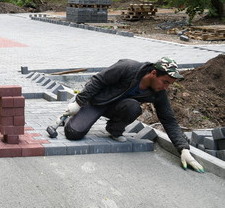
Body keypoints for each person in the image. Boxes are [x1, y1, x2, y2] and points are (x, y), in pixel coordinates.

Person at [60, 56, 204, 172]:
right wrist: (78, 103)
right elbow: (98, 80)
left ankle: (114, 130)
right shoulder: (128, 67)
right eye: (164, 82)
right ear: (153, 73)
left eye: (169, 84)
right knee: (73, 133)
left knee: (134, 107)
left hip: (117, 108)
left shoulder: (159, 93)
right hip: (97, 102)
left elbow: (168, 119)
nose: (165, 87)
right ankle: (72, 117)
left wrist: (183, 148)